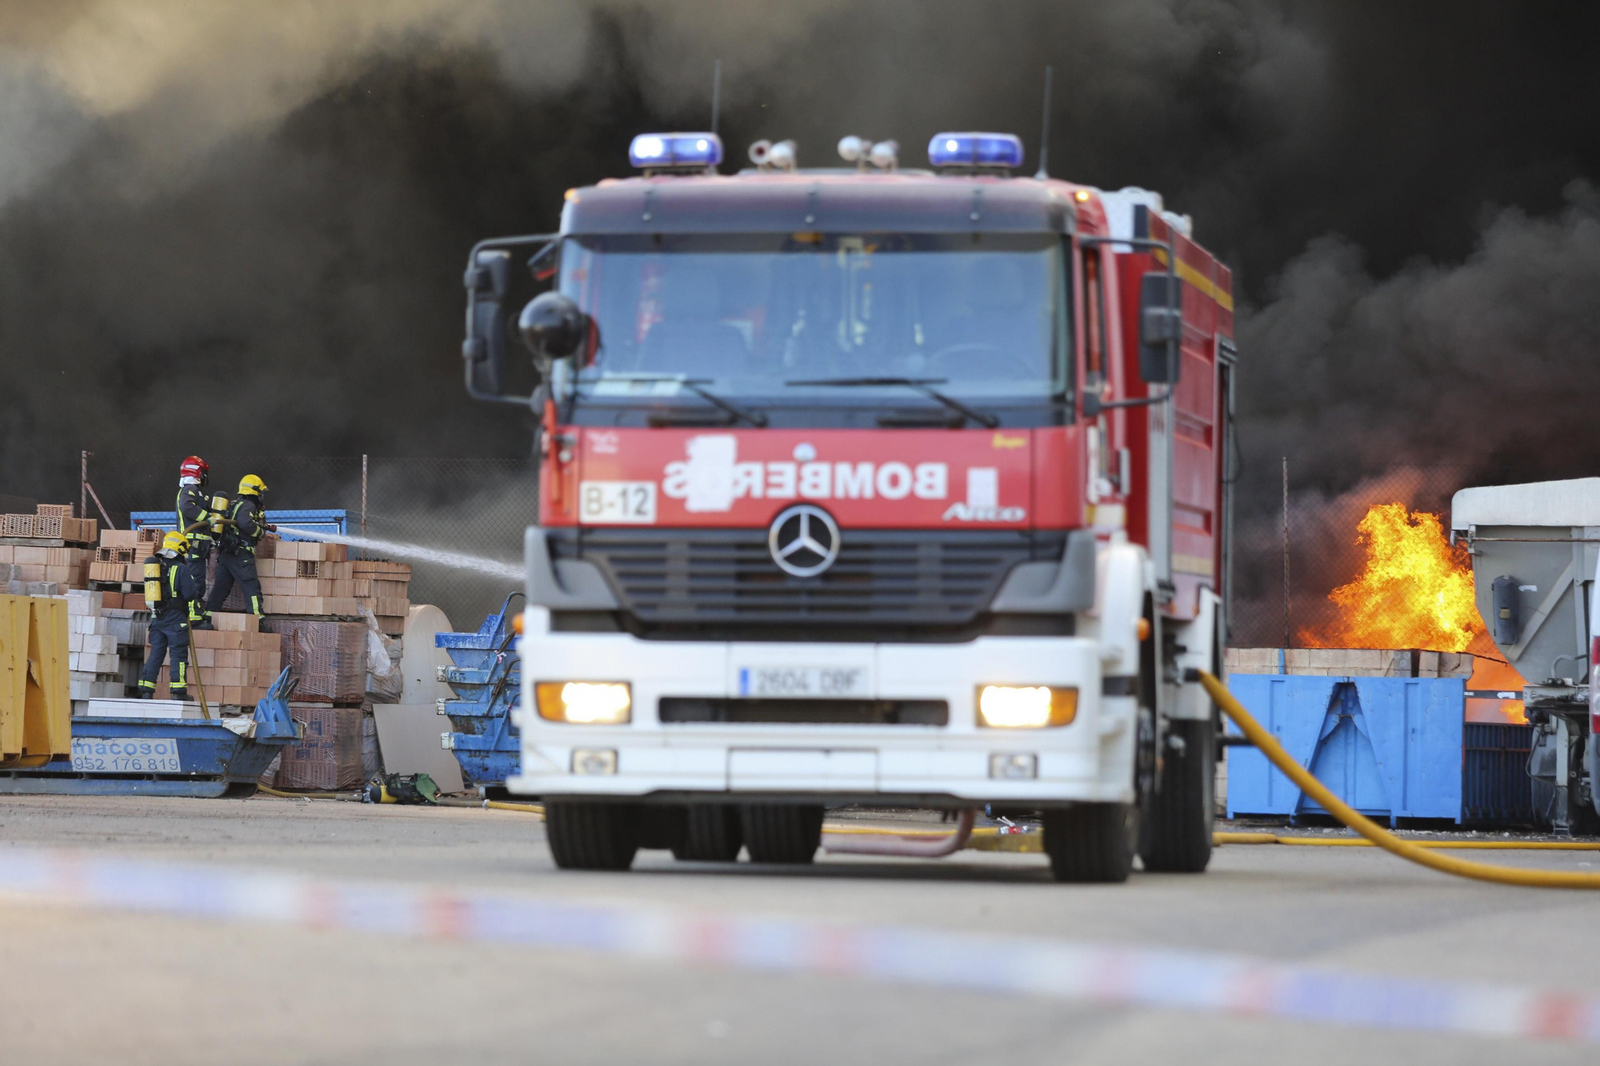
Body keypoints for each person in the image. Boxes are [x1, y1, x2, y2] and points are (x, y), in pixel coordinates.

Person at [137, 531, 200, 700]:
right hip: (175, 620)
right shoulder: (181, 569)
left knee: (156, 654)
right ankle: (179, 692)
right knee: (178, 655)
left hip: (157, 619)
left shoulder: (156, 568)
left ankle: (146, 690)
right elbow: (190, 594)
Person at [206, 474, 274, 617]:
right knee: (252, 588)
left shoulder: (235, 504)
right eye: (260, 492)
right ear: (255, 491)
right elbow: (245, 523)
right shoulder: (249, 505)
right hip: (241, 555)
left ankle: (208, 617)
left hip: (226, 554)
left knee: (220, 589)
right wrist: (260, 532)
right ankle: (258, 620)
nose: (262, 496)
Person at [175, 455, 215, 629]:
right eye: (203, 472)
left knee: (199, 578)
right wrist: (207, 517)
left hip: (200, 542)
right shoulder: (189, 489)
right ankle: (193, 616)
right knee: (195, 579)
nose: (206, 476)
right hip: (193, 542)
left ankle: (196, 612)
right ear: (197, 472)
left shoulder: (195, 491)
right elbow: (187, 507)